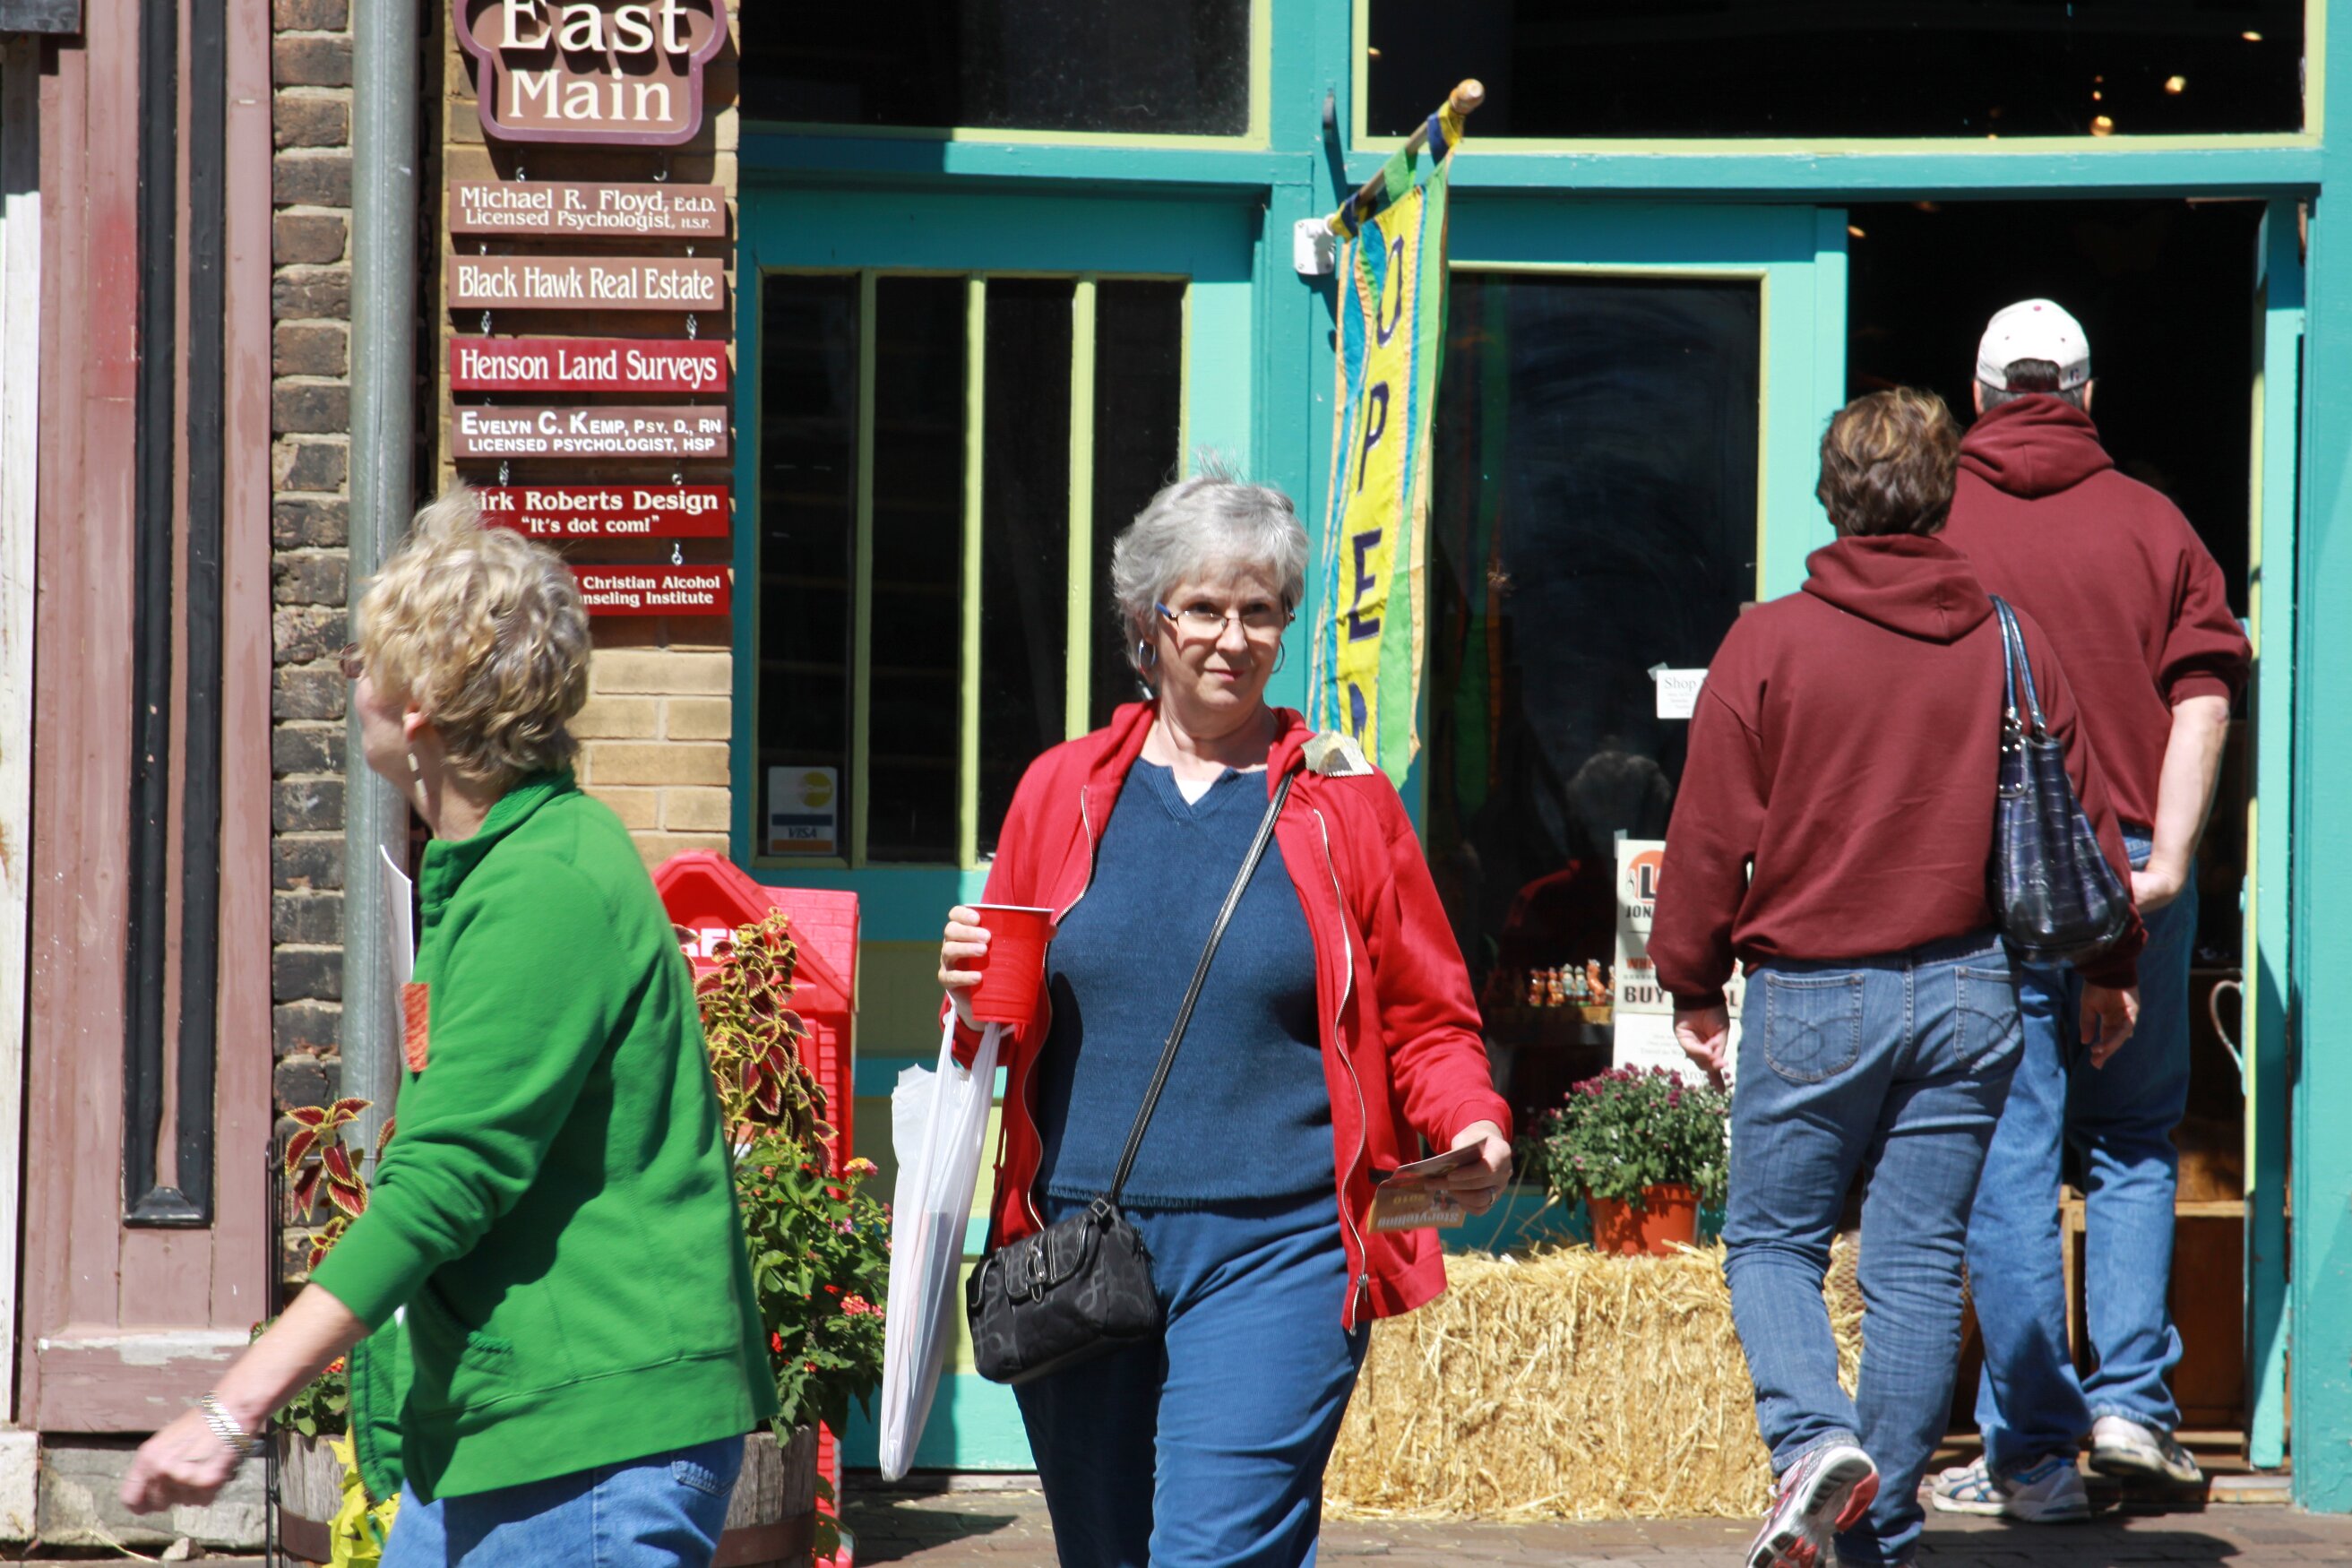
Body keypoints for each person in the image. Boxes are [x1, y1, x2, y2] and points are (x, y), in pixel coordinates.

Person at [120, 489, 775, 1566]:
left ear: (420, 702)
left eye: (363, 661)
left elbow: (444, 1183)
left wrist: (232, 1408)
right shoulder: (510, 866)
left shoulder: (544, 887)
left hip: (586, 1449)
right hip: (515, 1440)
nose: (350, 682)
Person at [935, 470, 1512, 1568]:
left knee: (1216, 1552)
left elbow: (1427, 1014)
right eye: (1202, 607)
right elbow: (991, 1025)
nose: (1232, 638)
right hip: (1078, 1246)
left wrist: (1471, 1119)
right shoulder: (1063, 791)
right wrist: (967, 1001)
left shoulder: (1345, 804)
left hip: (1283, 1247)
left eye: (1260, 610)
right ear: (1147, 621)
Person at [1647, 389, 2146, 1568]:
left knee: (1772, 1244)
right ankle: (1878, 1530)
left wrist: (1691, 980)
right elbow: (2081, 820)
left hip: (1812, 993)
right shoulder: (2010, 640)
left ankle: (1814, 1440)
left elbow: (1708, 832)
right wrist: (2109, 966)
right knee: (1916, 1263)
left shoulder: (1768, 641)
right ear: (1943, 494)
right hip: (1972, 988)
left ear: (1831, 496)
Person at [1929, 300, 2252, 1520]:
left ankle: (2029, 1450)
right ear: (2087, 397)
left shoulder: (1934, 520)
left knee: (2009, 1152)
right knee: (2131, 1138)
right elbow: (2204, 696)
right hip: (2128, 868)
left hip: (1988, 878)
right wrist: (2168, 861)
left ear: (1977, 397)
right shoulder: (2156, 523)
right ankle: (2129, 1409)